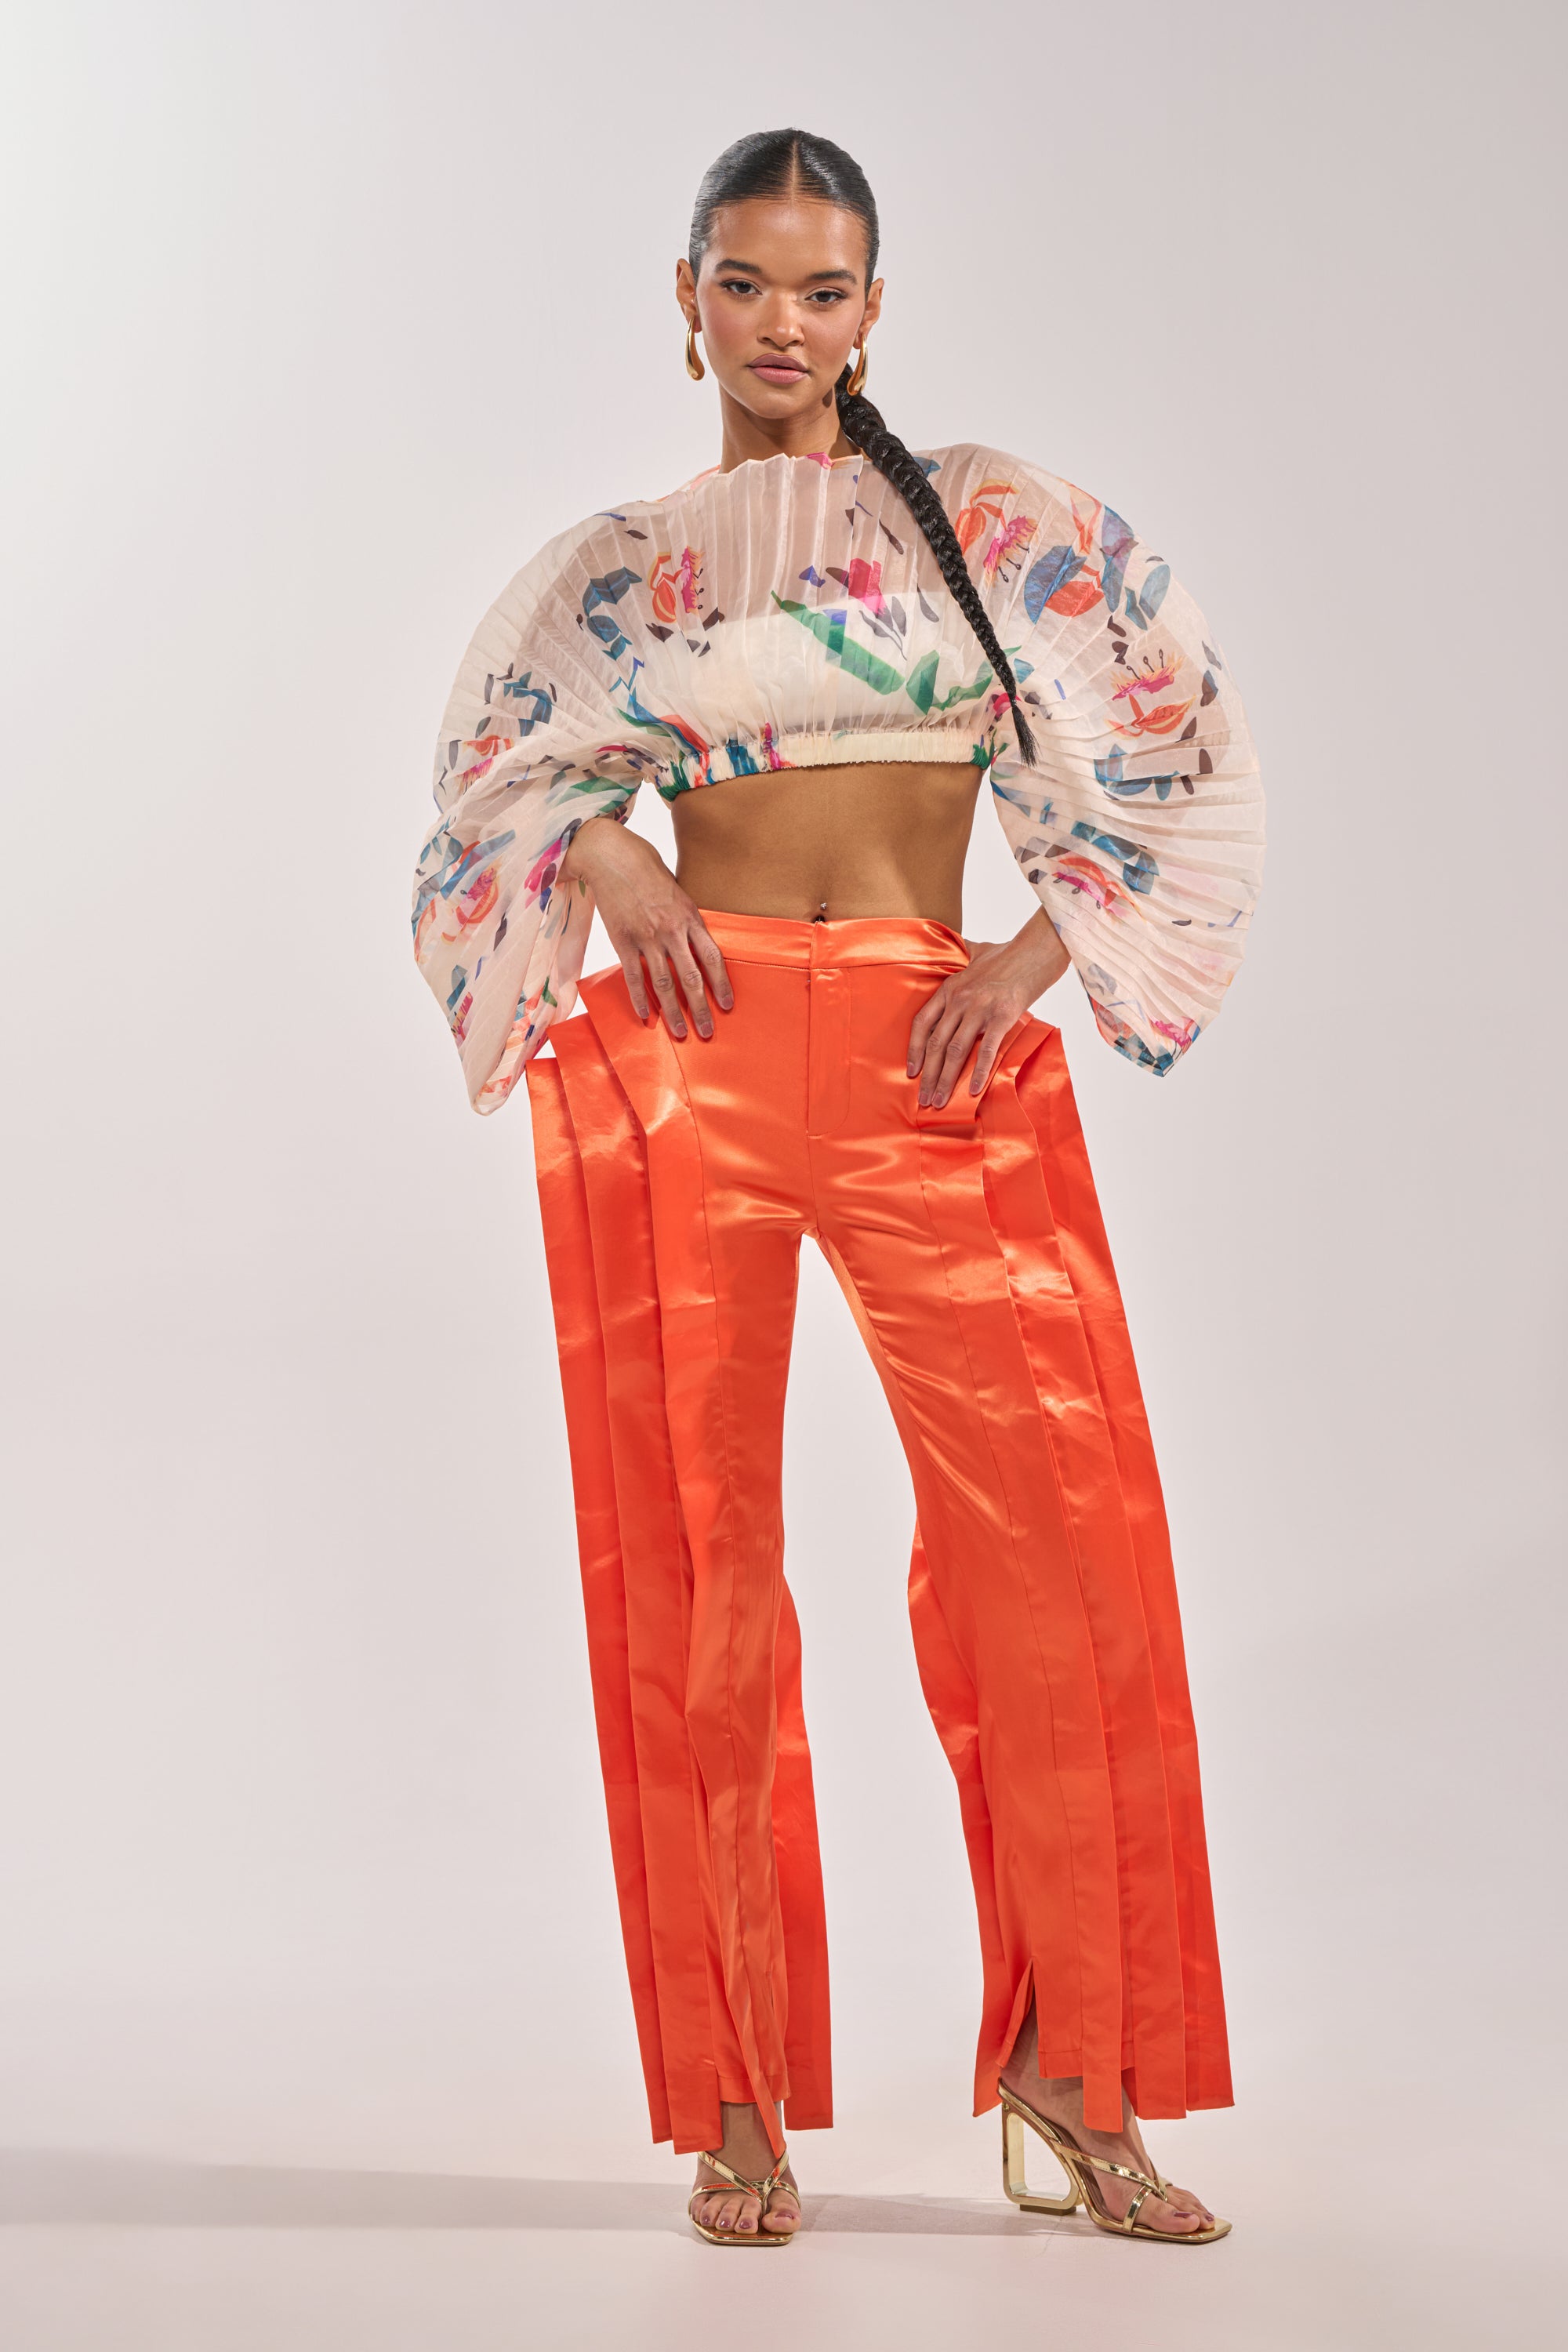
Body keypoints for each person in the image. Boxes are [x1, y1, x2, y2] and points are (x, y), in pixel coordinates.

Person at [412, 128, 1262, 2249]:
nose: (784, 325)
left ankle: (1080, 2081)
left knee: (1055, 1570)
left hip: (926, 1056)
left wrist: (1029, 951)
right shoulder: (623, 567)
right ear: (683, 298)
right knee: (694, 1568)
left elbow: (1169, 753)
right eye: (746, 283)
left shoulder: (989, 528)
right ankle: (731, 2099)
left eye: (823, 288)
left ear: (875, 307)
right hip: (697, 1064)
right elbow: (500, 787)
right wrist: (606, 853)